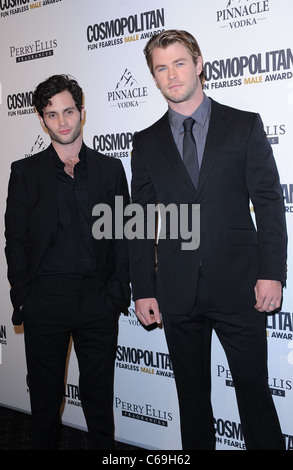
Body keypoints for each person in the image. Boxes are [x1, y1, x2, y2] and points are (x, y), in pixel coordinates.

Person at [129, 30, 287, 450]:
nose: (172, 74)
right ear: (154, 77)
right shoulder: (144, 142)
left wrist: (273, 273)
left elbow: (269, 204)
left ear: (199, 64)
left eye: (179, 63)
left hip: (240, 286)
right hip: (177, 291)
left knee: (253, 394)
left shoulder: (244, 125)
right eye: (161, 68)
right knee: (192, 400)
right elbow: (141, 220)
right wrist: (143, 287)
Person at [4, 74, 130, 450]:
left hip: (98, 300)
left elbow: (123, 235)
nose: (63, 121)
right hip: (46, 301)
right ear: (42, 120)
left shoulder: (110, 170)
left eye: (69, 111)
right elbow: (17, 241)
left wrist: (116, 293)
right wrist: (25, 297)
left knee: (98, 400)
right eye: (52, 114)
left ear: (82, 113)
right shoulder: (24, 172)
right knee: (44, 401)